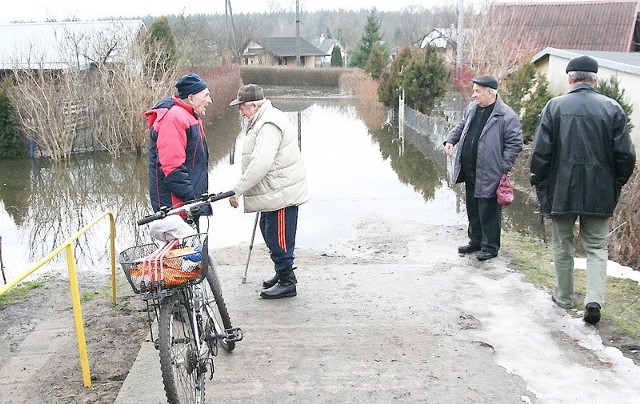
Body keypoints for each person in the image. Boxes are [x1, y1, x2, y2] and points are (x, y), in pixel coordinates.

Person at [530, 55, 636, 325]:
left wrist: (539, 181)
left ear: (570, 79)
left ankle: (564, 298)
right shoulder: (612, 108)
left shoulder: (554, 107)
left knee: (562, 245)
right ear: (595, 79)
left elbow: (541, 153)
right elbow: (625, 156)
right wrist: (616, 182)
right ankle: (593, 301)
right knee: (597, 248)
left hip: (560, 190)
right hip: (600, 191)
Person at [228, 83, 310, 299]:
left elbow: (261, 163)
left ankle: (287, 282)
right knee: (268, 228)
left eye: (242, 107)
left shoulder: (268, 125)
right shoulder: (263, 119)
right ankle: (281, 272)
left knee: (278, 236)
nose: (241, 111)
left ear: (254, 106)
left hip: (281, 190)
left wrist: (239, 189)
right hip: (272, 189)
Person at [444, 75, 523, 261]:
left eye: (477, 91)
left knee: (488, 209)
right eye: (474, 91)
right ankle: (476, 241)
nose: (473, 95)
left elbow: (515, 144)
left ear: (490, 92)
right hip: (470, 168)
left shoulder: (506, 115)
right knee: (472, 206)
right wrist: (450, 139)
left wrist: (502, 166)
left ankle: (490, 246)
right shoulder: (472, 109)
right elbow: (462, 126)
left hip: (491, 171)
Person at [145, 73, 212, 220]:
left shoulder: (190, 116)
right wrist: (192, 200)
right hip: (176, 206)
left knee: (195, 243)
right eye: (206, 96)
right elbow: (172, 167)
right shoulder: (174, 118)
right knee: (183, 243)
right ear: (191, 98)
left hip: (189, 204)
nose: (210, 101)